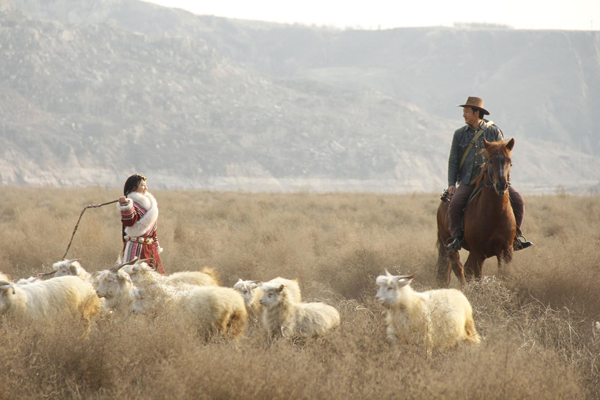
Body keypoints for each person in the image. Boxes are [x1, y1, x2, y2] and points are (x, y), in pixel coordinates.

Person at [446, 97, 533, 252]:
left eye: (466, 112)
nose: (464, 115)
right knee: (455, 203)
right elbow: (453, 160)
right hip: (468, 180)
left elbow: (503, 158)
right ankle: (457, 237)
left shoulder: (494, 131)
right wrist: (451, 184)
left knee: (518, 201)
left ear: (476, 113)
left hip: (491, 181)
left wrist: (505, 180)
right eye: (464, 111)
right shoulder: (459, 134)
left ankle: (515, 237)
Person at [118, 174, 166, 274]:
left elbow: (153, 230)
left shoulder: (150, 204)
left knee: (155, 279)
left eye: (145, 185)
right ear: (134, 187)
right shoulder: (131, 203)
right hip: (136, 248)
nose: (146, 188)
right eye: (142, 185)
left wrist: (156, 246)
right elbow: (129, 222)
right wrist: (125, 206)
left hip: (150, 248)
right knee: (134, 277)